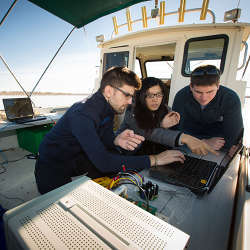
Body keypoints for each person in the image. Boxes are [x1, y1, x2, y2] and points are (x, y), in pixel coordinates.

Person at [35, 67, 185, 194]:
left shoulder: (108, 108)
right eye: (127, 95)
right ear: (108, 91)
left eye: (132, 97)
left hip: (76, 157)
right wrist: (155, 159)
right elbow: (104, 162)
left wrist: (116, 139)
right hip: (52, 163)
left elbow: (105, 139)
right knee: (58, 207)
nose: (130, 102)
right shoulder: (83, 114)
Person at [117, 77, 215, 155]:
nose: (155, 100)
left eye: (158, 94)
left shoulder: (165, 109)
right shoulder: (132, 110)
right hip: (127, 154)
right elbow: (148, 132)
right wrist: (161, 124)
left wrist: (201, 141)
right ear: (141, 96)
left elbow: (179, 129)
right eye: (150, 95)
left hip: (153, 153)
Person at [172, 64, 243, 150]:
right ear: (191, 87)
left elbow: (234, 136)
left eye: (210, 92)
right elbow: (176, 128)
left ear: (218, 86)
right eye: (198, 92)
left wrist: (232, 147)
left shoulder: (230, 99)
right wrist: (202, 142)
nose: (204, 98)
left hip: (218, 144)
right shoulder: (181, 96)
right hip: (188, 143)